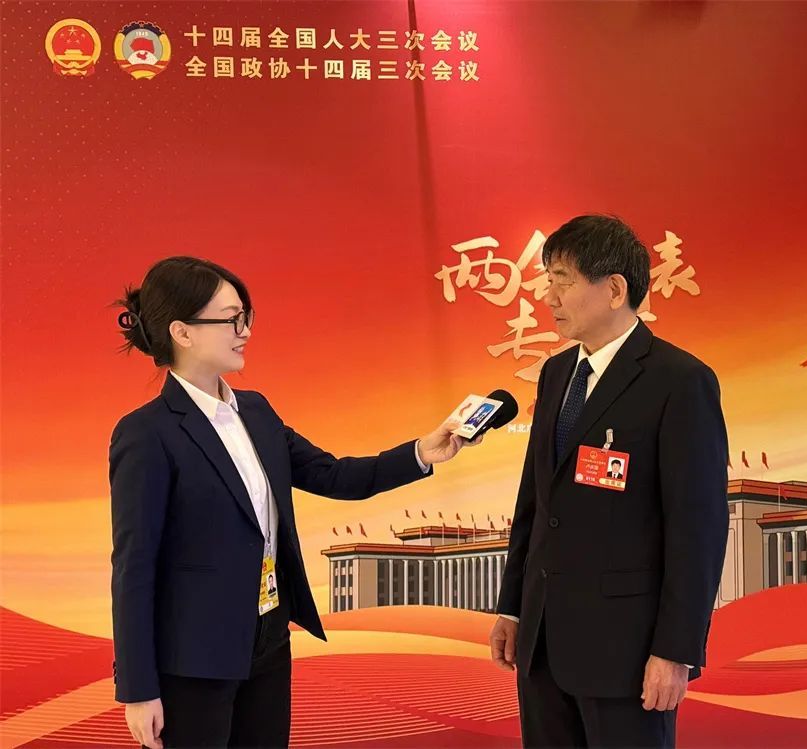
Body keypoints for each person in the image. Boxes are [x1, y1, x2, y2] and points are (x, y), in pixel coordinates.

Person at [110, 256, 478, 749]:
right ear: (183, 332)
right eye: (230, 319)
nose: (244, 331)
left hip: (268, 639)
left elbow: (334, 474)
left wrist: (421, 453)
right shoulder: (146, 433)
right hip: (192, 661)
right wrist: (138, 689)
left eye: (246, 316)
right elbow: (133, 567)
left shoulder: (256, 411)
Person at [489, 215, 729, 748]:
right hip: (543, 646)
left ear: (615, 289)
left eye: (563, 280)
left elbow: (699, 529)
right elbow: (535, 503)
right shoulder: (556, 374)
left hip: (628, 655)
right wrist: (513, 607)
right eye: (548, 279)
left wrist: (676, 650)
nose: (548, 296)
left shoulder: (679, 381)